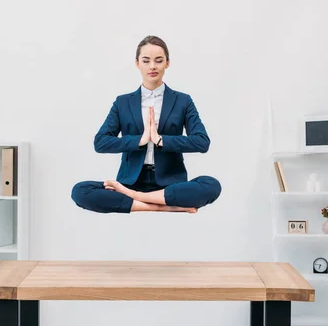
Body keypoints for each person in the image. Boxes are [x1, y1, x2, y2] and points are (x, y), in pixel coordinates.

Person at [71, 35, 221, 213]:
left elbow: (202, 142)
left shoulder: (183, 101)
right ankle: (167, 208)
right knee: (80, 191)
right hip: (130, 182)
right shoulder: (123, 102)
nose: (152, 66)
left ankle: (139, 200)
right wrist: (139, 141)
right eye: (146, 60)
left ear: (167, 63)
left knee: (212, 185)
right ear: (137, 63)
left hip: (170, 186)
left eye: (158, 60)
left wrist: (161, 140)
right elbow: (101, 142)